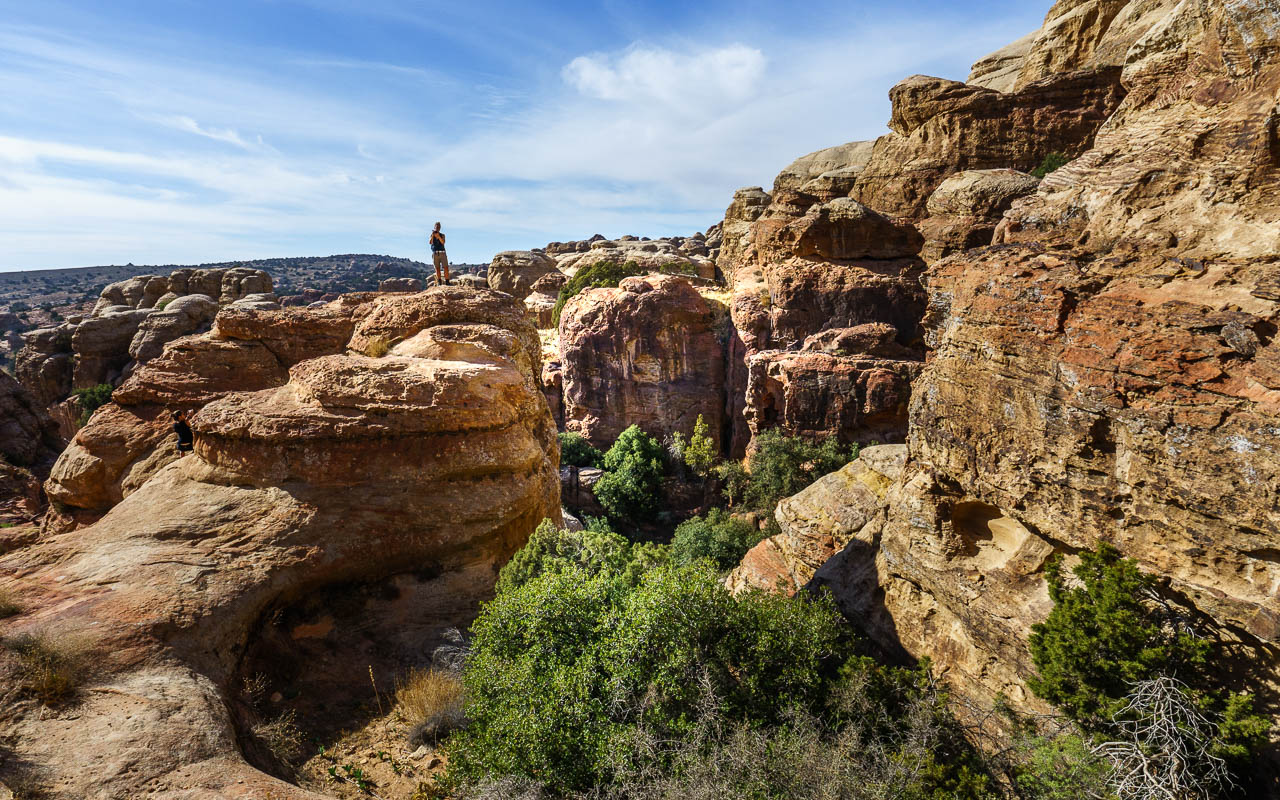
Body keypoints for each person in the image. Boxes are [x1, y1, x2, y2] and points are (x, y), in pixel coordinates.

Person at [430, 222, 450, 286]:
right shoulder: (432, 235)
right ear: (434, 227)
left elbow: (443, 242)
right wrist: (433, 236)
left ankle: (447, 282)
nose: (437, 228)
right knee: (437, 268)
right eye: (436, 227)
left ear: (440, 228)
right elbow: (430, 242)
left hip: (442, 252)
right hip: (435, 253)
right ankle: (439, 282)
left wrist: (438, 236)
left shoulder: (442, 235)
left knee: (446, 267)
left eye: (439, 227)